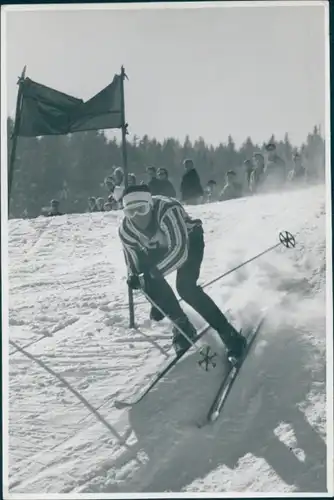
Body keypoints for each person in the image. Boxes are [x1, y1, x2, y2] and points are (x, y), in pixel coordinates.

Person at [119, 184, 247, 358]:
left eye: (141, 210)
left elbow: (180, 251)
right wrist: (136, 278)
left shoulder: (167, 211)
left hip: (189, 240)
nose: (136, 217)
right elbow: (132, 261)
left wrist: (156, 273)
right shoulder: (126, 230)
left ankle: (229, 334)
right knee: (146, 278)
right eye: (130, 212)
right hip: (159, 247)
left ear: (150, 205)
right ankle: (181, 324)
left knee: (185, 288)